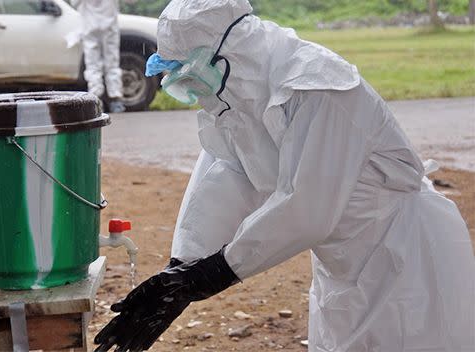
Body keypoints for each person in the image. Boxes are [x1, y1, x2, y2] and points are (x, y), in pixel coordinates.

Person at [94, 0, 475, 351]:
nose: (195, 93)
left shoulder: (319, 85)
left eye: (192, 78)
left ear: (230, 53)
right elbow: (226, 172)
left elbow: (307, 209)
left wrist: (208, 275)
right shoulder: (239, 100)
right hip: (343, 265)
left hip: (406, 259)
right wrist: (180, 270)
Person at [70, 0, 125, 113]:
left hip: (91, 28)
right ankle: (115, 100)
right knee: (112, 64)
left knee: (93, 66)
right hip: (108, 28)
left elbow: (74, 4)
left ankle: (97, 101)